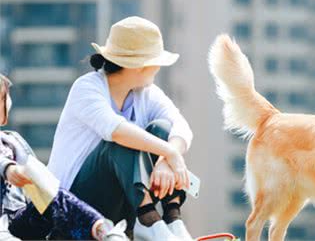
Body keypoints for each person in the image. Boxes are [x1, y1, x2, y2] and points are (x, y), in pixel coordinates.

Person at [47, 16, 194, 241]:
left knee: (162, 129)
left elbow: (181, 127)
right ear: (139, 65)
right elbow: (115, 130)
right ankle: (151, 222)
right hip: (72, 210)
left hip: (117, 208)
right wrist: (170, 153)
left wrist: (167, 158)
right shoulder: (86, 88)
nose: (158, 68)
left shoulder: (146, 94)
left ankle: (173, 220)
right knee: (120, 143)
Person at [0, 73, 128, 241]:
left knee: (48, 188)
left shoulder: (12, 141)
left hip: (19, 223)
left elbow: (43, 184)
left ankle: (101, 229)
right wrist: (8, 168)